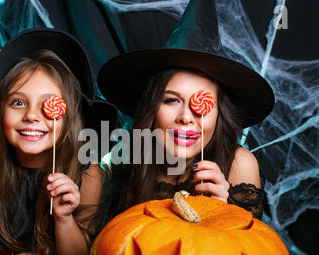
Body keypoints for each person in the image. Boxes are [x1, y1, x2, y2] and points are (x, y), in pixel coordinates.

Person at [0, 28, 117, 255]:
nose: (31, 116)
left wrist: (64, 218)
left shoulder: (88, 174)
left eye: (48, 105)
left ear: (69, 118)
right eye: (18, 102)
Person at [94, 47, 275, 234]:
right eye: (172, 100)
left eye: (203, 103)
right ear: (152, 109)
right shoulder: (122, 160)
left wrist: (222, 214)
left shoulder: (239, 164)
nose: (186, 117)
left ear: (220, 115)